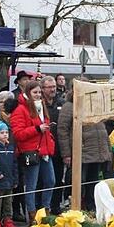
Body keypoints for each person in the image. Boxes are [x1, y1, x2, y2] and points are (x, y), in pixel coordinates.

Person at [10, 80, 56, 219]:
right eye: (35, 92)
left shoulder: (41, 106)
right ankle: (32, 214)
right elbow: (18, 133)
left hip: (44, 150)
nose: (38, 95)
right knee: (31, 184)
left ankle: (45, 210)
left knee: (50, 181)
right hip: (31, 151)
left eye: (39, 92)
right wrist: (37, 129)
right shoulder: (20, 109)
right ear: (27, 93)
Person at [40, 76, 65, 213]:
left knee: (57, 178)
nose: (53, 89)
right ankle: (42, 207)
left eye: (54, 86)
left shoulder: (61, 102)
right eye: (49, 87)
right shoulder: (39, 104)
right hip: (44, 147)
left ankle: (55, 206)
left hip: (59, 147)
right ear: (43, 89)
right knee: (44, 180)